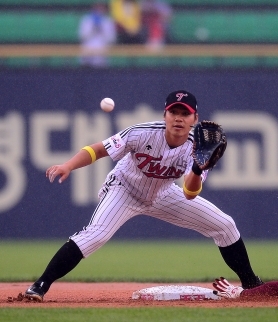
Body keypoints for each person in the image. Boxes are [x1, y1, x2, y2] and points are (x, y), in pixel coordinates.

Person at [23, 90, 263, 302]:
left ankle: (252, 285)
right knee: (94, 236)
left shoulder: (198, 146)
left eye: (185, 113)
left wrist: (198, 167)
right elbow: (99, 149)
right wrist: (68, 165)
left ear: (195, 119)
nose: (178, 118)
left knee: (225, 225)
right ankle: (40, 285)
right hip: (124, 189)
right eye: (173, 112)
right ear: (165, 115)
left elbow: (190, 193)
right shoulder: (142, 133)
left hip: (164, 193)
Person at [78, 2, 117, 68]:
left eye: (101, 7)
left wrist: (102, 31)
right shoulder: (86, 20)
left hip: (102, 57)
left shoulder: (108, 21)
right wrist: (93, 30)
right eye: (97, 7)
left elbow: (112, 39)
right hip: (87, 55)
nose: (99, 10)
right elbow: (81, 36)